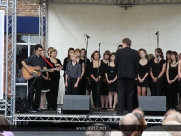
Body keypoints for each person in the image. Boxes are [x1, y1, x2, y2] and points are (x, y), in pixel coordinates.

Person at [115, 38, 139, 114]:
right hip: (131, 75)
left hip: (121, 75)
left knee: (121, 92)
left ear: (124, 44)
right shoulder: (134, 52)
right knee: (130, 93)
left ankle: (119, 110)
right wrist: (135, 75)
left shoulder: (119, 52)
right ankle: (129, 110)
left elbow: (116, 63)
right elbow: (136, 65)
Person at [21, 44, 47, 112]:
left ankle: (36, 107)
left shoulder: (43, 59)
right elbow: (23, 62)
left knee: (38, 92)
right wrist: (29, 70)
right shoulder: (32, 57)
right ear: (36, 50)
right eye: (39, 50)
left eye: (41, 50)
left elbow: (44, 67)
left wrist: (46, 69)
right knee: (31, 92)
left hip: (39, 77)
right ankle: (30, 107)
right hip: (32, 76)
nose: (40, 52)